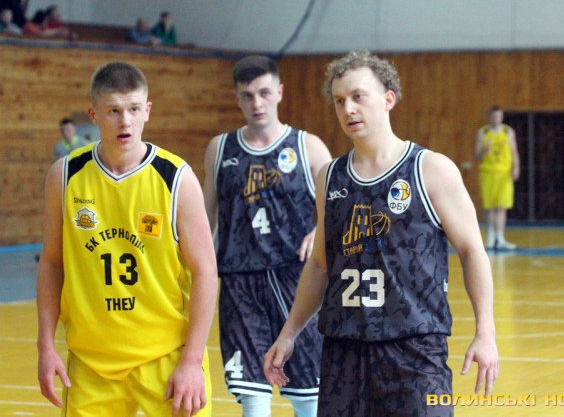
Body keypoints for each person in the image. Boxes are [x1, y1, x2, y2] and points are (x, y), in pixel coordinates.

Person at [263, 50, 499, 416]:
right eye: (339, 101)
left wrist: (486, 333)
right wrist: (289, 333)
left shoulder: (430, 169)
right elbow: (320, 265)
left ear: (389, 99)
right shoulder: (330, 177)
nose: (348, 109)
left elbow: (472, 251)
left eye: (358, 96)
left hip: (414, 349)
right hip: (344, 351)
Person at [36, 61, 218, 416]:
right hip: (93, 362)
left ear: (147, 111)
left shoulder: (176, 178)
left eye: (134, 109)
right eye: (114, 111)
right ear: (94, 114)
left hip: (167, 356)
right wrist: (45, 345)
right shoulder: (65, 176)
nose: (125, 122)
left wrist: (192, 361)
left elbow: (206, 272)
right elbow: (52, 263)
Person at [203, 55, 331, 416]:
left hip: (296, 279)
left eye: (263, 93)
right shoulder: (220, 149)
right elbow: (205, 217)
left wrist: (318, 229)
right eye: (247, 95)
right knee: (252, 391)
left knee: (307, 390)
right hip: (240, 282)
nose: (256, 103)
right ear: (237, 98)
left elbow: (340, 205)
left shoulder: (308, 146)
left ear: (279, 92)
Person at [475, 105, 520, 250]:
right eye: (494, 116)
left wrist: (516, 167)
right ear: (489, 117)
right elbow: (477, 155)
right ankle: (490, 237)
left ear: (502, 117)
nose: (496, 119)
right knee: (489, 207)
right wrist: (483, 151)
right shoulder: (483, 132)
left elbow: (514, 151)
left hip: (504, 174)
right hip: (488, 173)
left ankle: (500, 238)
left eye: (499, 116)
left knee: (502, 207)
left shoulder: (508, 131)